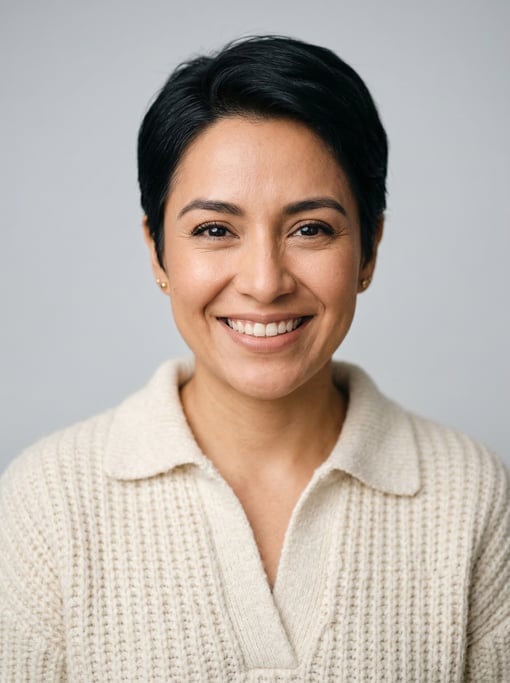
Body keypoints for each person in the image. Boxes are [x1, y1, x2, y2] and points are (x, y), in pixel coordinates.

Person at [1, 35, 509, 682]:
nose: (265, 281)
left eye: (311, 229)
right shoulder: (48, 499)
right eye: (215, 230)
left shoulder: (471, 495)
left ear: (369, 251)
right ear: (158, 253)